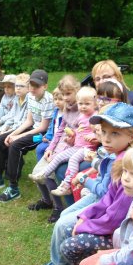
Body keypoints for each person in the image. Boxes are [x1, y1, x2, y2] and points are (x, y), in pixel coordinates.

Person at [40, 103, 133, 265]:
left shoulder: (128, 167)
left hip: (121, 235)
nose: (106, 139)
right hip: (104, 208)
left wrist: (86, 225)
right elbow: (107, 198)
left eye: (115, 133)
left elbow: (114, 216)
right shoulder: (118, 155)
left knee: (65, 227)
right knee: (66, 217)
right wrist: (84, 216)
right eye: (103, 132)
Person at [0, 69, 54, 203]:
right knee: (1, 139)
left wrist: (17, 138)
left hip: (43, 134)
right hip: (32, 128)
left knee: (15, 145)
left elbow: (42, 127)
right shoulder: (30, 96)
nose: (33, 89)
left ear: (45, 86)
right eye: (31, 85)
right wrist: (11, 134)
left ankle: (14, 189)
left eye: (37, 86)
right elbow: (29, 121)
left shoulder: (48, 100)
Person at [28, 76, 80, 219]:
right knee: (38, 172)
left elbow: (81, 135)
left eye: (67, 94)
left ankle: (59, 208)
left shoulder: (81, 110)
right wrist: (50, 147)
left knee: (49, 175)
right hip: (57, 148)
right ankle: (48, 201)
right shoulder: (67, 110)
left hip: (70, 150)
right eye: (63, 95)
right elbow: (58, 132)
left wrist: (72, 138)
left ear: (77, 91)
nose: (65, 98)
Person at [0, 73, 30, 165]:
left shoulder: (18, 98)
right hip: (6, 122)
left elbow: (14, 117)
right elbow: (1, 109)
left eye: (9, 87)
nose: (6, 89)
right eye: (5, 87)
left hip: (15, 126)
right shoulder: (6, 97)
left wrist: (1, 124)